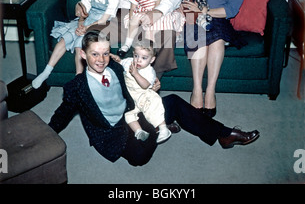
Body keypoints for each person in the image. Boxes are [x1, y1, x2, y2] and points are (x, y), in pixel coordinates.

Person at [48, 29, 259, 167]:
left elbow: (139, 75)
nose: (101, 60)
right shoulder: (75, 88)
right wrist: (45, 134)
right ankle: (160, 125)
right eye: (94, 54)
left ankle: (224, 134)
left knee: (174, 101)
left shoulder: (114, 65)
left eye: (105, 53)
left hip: (134, 111)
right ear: (83, 55)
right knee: (140, 158)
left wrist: (153, 85)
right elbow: (62, 115)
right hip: (113, 134)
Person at [182, 0, 247, 118]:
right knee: (199, 40)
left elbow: (232, 10)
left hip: (219, 19)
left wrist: (204, 10)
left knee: (217, 41)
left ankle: (210, 90)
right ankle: (197, 89)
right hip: (194, 20)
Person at [32, 0, 119, 89]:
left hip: (101, 24)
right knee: (65, 38)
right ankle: (46, 71)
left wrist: (86, 29)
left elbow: (104, 19)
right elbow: (83, 14)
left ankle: (79, 77)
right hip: (86, 22)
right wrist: (80, 25)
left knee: (80, 43)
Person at [112, 39, 171, 144]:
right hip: (130, 98)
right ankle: (139, 131)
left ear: (152, 60)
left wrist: (136, 74)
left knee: (154, 105)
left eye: (144, 58)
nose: (138, 60)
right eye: (136, 56)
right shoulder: (129, 62)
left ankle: (163, 129)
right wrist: (118, 60)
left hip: (143, 95)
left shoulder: (149, 71)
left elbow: (145, 85)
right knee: (127, 114)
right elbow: (121, 63)